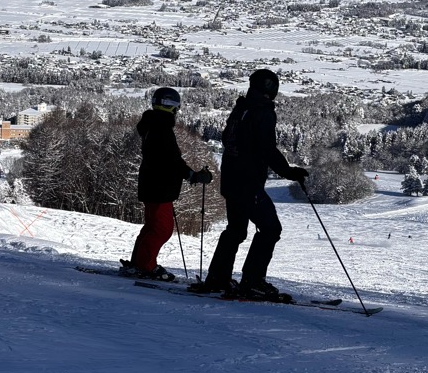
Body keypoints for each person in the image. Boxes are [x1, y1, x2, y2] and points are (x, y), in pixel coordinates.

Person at [199, 68, 308, 299]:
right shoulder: (262, 111)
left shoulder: (241, 108)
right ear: (271, 88)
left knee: (236, 230)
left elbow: (227, 138)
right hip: (247, 182)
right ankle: (253, 281)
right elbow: (266, 148)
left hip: (230, 179)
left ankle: (218, 278)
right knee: (270, 228)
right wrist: (289, 172)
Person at [122, 87, 211, 280]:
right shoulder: (161, 128)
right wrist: (193, 175)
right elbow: (171, 160)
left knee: (152, 227)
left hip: (152, 184)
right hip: (159, 186)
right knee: (161, 229)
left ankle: (139, 263)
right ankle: (145, 266)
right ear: (171, 107)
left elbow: (168, 159)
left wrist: (189, 174)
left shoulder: (152, 125)